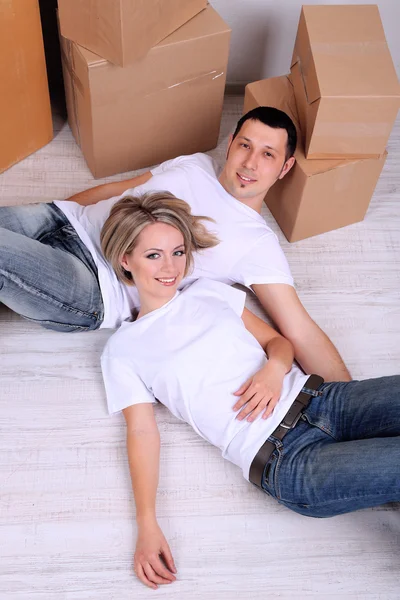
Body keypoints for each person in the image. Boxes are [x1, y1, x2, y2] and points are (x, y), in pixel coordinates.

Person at [100, 192, 399, 590]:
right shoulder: (123, 349)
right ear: (126, 260)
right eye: (153, 255)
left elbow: (278, 344)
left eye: (178, 251)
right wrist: (147, 523)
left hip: (328, 402)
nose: (171, 267)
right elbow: (141, 433)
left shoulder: (208, 292)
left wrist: (275, 369)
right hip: (286, 459)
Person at [0, 107, 350, 381]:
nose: (250, 163)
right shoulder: (194, 164)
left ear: (285, 167)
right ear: (230, 143)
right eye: (245, 145)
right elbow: (121, 188)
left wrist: (348, 405)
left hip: (94, 283)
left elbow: (300, 330)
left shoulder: (256, 243)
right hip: (62, 219)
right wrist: (64, 211)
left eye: (268, 155)